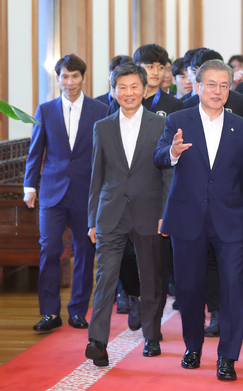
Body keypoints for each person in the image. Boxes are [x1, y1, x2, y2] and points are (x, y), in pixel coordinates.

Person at [154, 59, 243, 380]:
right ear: (197, 86)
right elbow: (158, 157)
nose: (217, 91)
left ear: (230, 89)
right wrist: (172, 152)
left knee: (231, 289)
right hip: (187, 218)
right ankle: (193, 346)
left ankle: (228, 356)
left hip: (230, 220)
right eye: (211, 84)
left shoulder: (241, 127)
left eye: (223, 85)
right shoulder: (178, 120)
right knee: (188, 288)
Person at [85, 62, 172, 366]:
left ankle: (150, 335)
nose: (129, 92)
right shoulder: (102, 126)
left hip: (149, 212)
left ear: (145, 89)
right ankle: (97, 341)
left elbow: (167, 175)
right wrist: (92, 219)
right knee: (106, 277)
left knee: (150, 277)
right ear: (114, 90)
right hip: (110, 213)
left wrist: (165, 213)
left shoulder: (161, 125)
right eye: (122, 87)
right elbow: (96, 176)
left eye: (134, 86)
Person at [24, 54, 108, 332]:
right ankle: (49, 313)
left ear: (83, 78)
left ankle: (78, 310)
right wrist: (29, 186)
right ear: (58, 78)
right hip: (52, 191)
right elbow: (36, 151)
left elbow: (105, 153)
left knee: (85, 251)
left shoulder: (100, 109)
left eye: (74, 76)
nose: (69, 82)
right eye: (64, 76)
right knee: (49, 249)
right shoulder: (46, 110)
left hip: (87, 192)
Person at [108, 44, 184, 117]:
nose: (156, 73)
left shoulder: (174, 105)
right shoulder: (124, 101)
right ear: (137, 67)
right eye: (150, 67)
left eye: (161, 67)